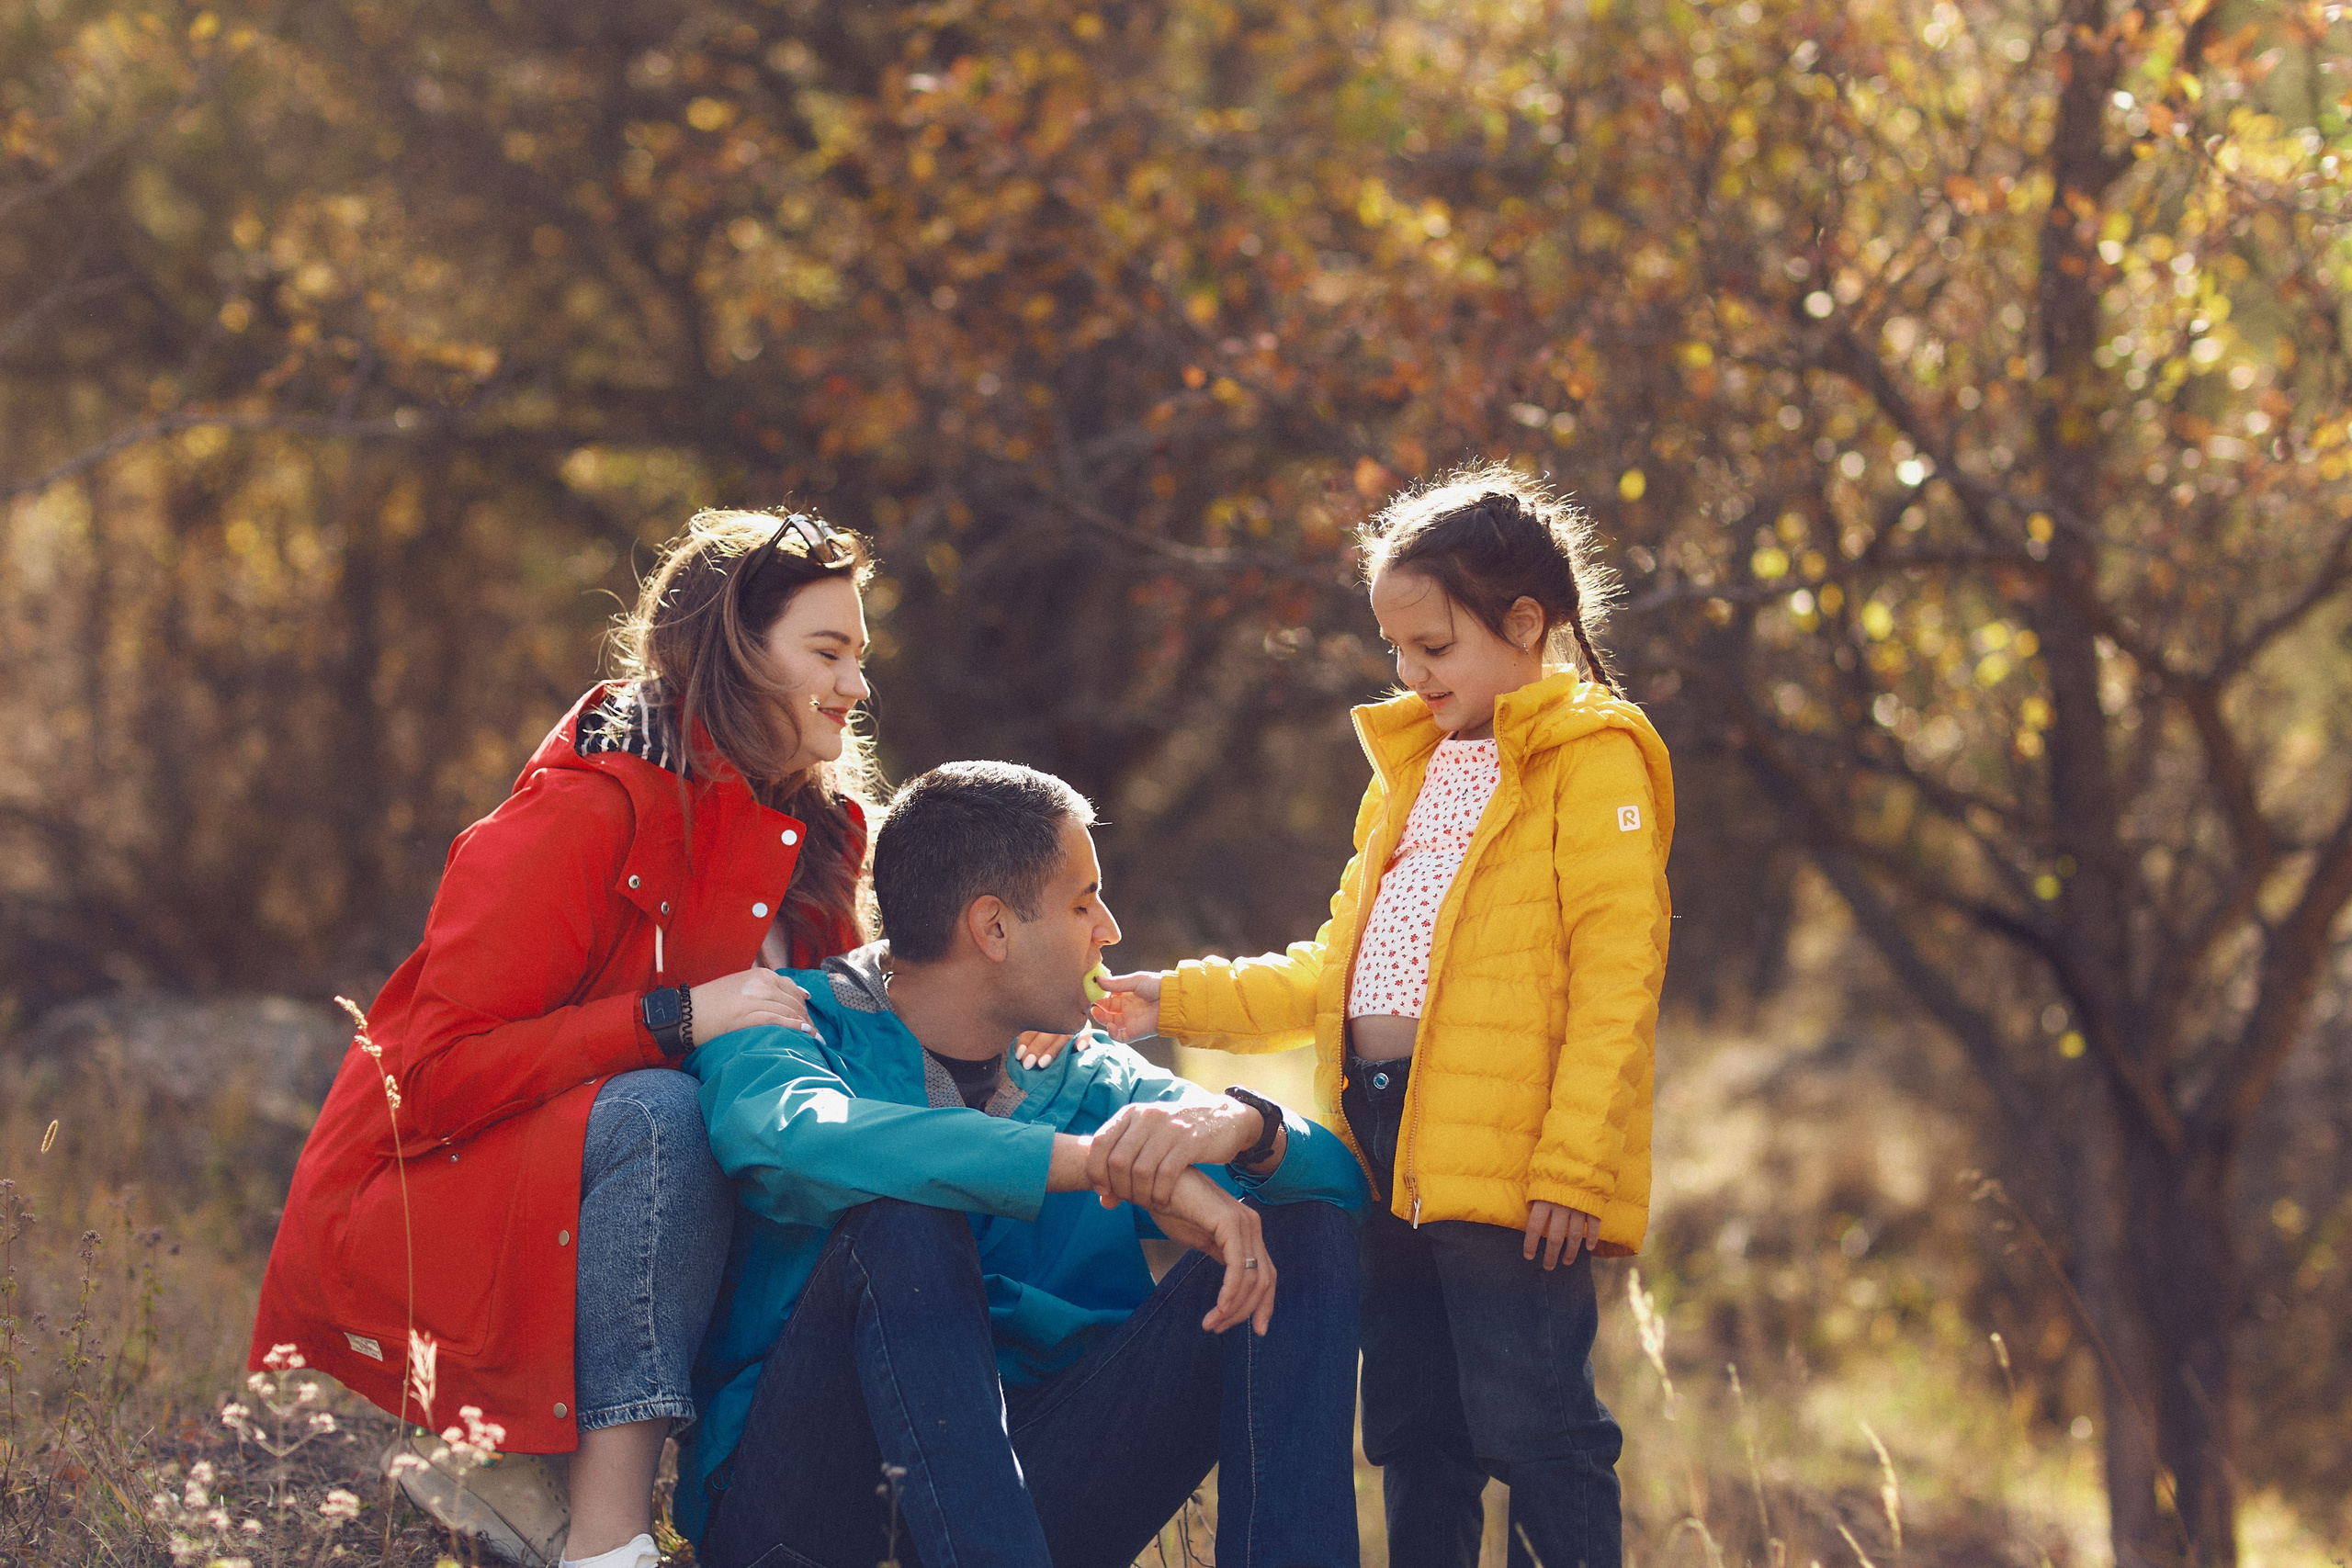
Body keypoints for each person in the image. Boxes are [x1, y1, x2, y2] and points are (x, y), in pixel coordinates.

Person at [250, 509, 885, 1568]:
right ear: (733, 649)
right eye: (827, 652)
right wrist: (674, 1017)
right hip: (436, 1193)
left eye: (860, 656)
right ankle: (606, 1539)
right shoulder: (585, 812)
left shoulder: (816, 833)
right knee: (669, 1109)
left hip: (600, 1201)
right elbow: (431, 1076)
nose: (855, 686)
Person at [1089, 465, 1674, 1568]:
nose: (1411, 672)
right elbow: (1338, 971)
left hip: (1515, 1163)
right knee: (1415, 1433)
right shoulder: (1410, 772)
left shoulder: (1592, 762)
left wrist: (1572, 1170)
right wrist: (1171, 999)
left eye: (1435, 647)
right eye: (1394, 649)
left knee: (1536, 1429)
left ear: (1525, 622)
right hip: (1383, 1143)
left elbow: (1615, 986)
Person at [680, 761, 1369, 1568]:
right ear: (994, 928)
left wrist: (1249, 1127)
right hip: (812, 1506)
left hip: (1036, 1479)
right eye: (1083, 902)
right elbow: (789, 1137)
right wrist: (1084, 1163)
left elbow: (1341, 1192)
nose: (1109, 928)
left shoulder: (1085, 1074)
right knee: (906, 1216)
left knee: (1299, 1230)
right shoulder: (788, 1021)